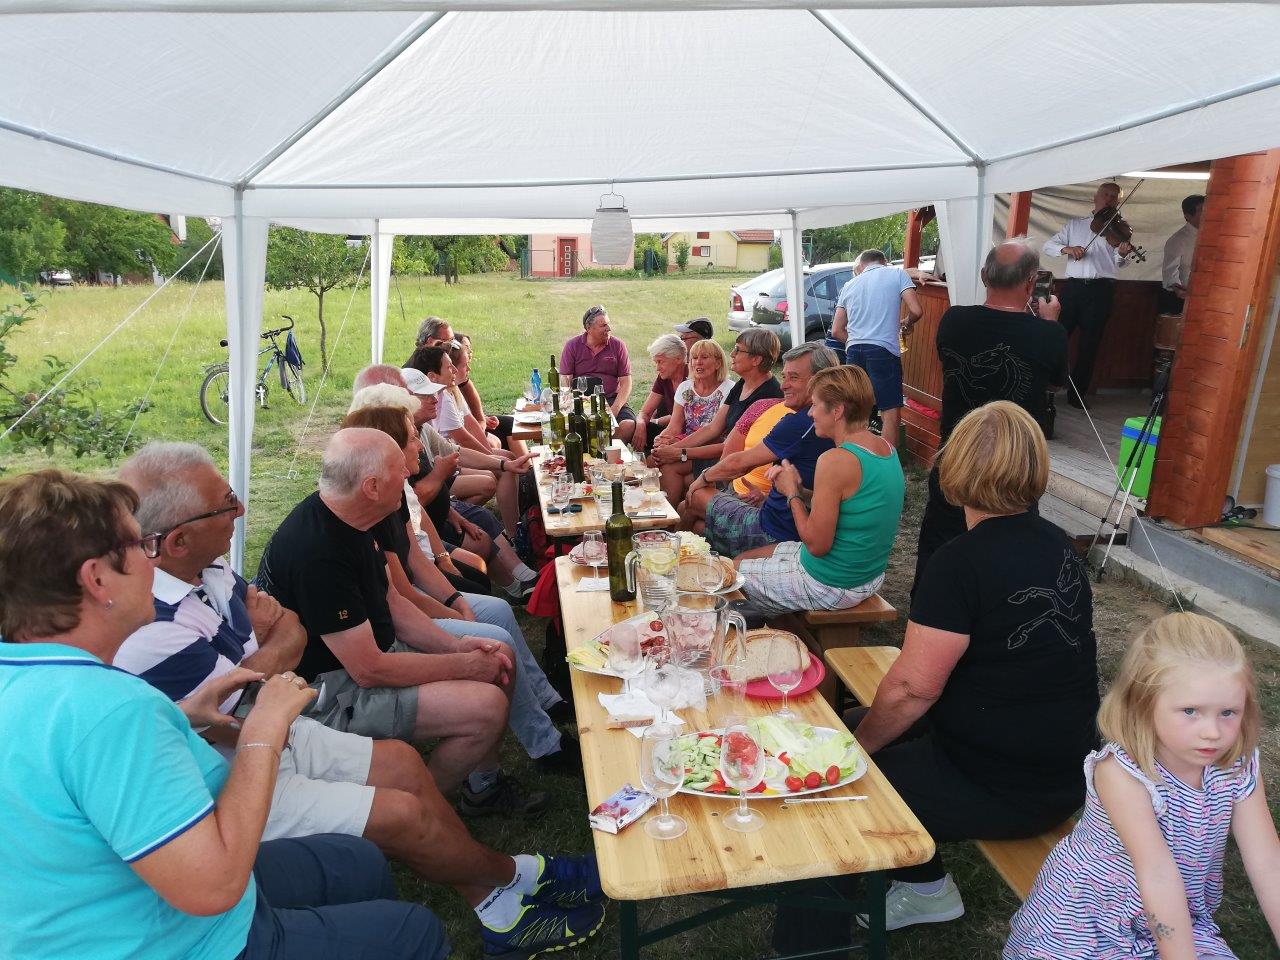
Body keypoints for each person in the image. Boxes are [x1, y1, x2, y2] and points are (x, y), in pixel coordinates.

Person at [112, 445, 605, 954]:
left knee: (404, 766)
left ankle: (488, 888)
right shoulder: (155, 624)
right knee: (403, 812)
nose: (240, 510)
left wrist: (263, 655)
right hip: (239, 771)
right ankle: (508, 879)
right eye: (226, 502)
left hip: (278, 722)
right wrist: (267, 652)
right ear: (177, 540)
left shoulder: (208, 568)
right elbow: (245, 709)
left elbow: (291, 634)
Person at [0, 469, 450, 960]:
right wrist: (264, 729)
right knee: (416, 931)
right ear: (97, 580)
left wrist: (184, 716)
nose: (154, 560)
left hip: (107, 905)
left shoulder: (33, 681)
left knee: (356, 861)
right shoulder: (112, 709)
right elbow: (212, 888)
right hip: (177, 940)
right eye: (140, 547)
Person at [846, 401, 1098, 931]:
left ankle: (926, 890)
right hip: (1066, 765)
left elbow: (913, 689)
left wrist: (857, 751)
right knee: (848, 723)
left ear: (954, 470)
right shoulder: (1059, 545)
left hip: (1001, 781)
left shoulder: (959, 562)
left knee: (848, 777)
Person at [254, 428, 548, 816]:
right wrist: (463, 664)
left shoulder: (353, 515)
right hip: (330, 690)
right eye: (400, 469)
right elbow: (368, 670)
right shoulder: (319, 554)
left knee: (496, 658)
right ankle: (420, 810)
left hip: (373, 655)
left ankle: (483, 785)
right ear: (372, 486)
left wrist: (458, 647)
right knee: (487, 706)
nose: (410, 473)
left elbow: (393, 603)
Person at [1006, 612, 1278, 959]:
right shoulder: (1121, 772)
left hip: (1178, 919)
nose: (1212, 732)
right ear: (1143, 704)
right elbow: (1158, 874)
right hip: (1086, 925)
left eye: (1228, 712)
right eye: (1190, 711)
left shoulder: (1238, 765)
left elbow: (1268, 864)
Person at [339, 408, 576, 774]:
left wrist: (455, 597)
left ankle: (545, 697)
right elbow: (402, 597)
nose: (421, 445)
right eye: (413, 438)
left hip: (413, 600)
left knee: (498, 611)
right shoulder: (373, 507)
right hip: (397, 623)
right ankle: (543, 744)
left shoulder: (395, 491)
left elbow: (416, 557)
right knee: (495, 636)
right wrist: (458, 615)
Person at [912, 239, 1068, 595]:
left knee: (940, 538)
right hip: (1016, 460)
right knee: (1011, 543)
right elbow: (1056, 383)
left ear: (984, 277)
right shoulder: (1049, 334)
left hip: (957, 453)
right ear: (1032, 283)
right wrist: (1050, 323)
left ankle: (928, 603)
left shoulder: (955, 320)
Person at [735, 365, 903, 619]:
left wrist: (792, 493)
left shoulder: (835, 460)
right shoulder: (886, 448)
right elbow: (851, 502)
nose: (810, 413)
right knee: (744, 558)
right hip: (867, 575)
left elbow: (816, 545)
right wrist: (801, 490)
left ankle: (762, 635)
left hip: (831, 583)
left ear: (837, 411)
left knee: (728, 576)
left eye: (814, 405)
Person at [688, 342, 838, 557]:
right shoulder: (834, 422)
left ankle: (671, 557)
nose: (784, 385)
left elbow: (739, 464)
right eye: (784, 376)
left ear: (820, 381)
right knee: (698, 527)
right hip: (782, 515)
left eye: (794, 377)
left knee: (694, 497)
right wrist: (768, 497)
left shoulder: (802, 423)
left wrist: (703, 478)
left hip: (774, 530)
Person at [1043, 181, 1135, 407]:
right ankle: (1045, 387)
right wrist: (1067, 249)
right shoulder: (1075, 225)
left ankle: (1077, 395)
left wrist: (1123, 254)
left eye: (1114, 197)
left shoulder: (1119, 229)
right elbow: (1048, 246)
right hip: (1073, 288)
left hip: (1101, 290)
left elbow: (1119, 264)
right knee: (1057, 337)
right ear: (1096, 197)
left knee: (1089, 344)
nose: (1109, 199)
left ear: (1118, 202)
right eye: (1106, 195)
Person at [830, 249, 923, 447]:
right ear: (885, 262)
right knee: (890, 411)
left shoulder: (849, 284)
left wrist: (856, 340)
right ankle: (887, 461)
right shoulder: (897, 274)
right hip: (883, 350)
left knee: (857, 410)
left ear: (861, 265)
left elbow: (837, 331)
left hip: (854, 351)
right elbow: (916, 310)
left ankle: (855, 456)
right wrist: (907, 323)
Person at [649, 339, 734, 505]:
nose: (698, 362)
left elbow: (714, 433)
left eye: (704, 357)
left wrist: (674, 448)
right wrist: (662, 439)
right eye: (694, 358)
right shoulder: (685, 387)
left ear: (718, 363)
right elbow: (674, 426)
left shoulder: (729, 389)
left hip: (710, 448)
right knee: (652, 459)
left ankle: (670, 515)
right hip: (685, 442)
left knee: (667, 466)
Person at [559, 304, 636, 443]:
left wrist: (614, 410)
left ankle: (606, 451)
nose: (609, 328)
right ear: (588, 328)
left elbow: (626, 382)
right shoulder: (572, 346)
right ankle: (594, 449)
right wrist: (573, 404)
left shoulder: (618, 345)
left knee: (628, 425)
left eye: (608, 324)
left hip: (611, 399)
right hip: (582, 400)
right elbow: (565, 380)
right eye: (603, 325)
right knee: (576, 427)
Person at [632, 333, 688, 451]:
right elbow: (645, 412)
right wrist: (641, 424)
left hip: (687, 437)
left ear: (678, 358)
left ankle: (644, 460)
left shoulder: (692, 379)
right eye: (656, 362)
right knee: (628, 426)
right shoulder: (664, 378)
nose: (657, 368)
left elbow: (682, 420)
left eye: (660, 362)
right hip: (669, 431)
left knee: (654, 454)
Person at [1160, 193, 1204, 314]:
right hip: (1186, 298)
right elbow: (1170, 271)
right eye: (1201, 210)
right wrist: (1178, 289)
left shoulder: (1215, 235)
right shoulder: (1178, 240)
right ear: (1188, 216)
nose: (1207, 212)